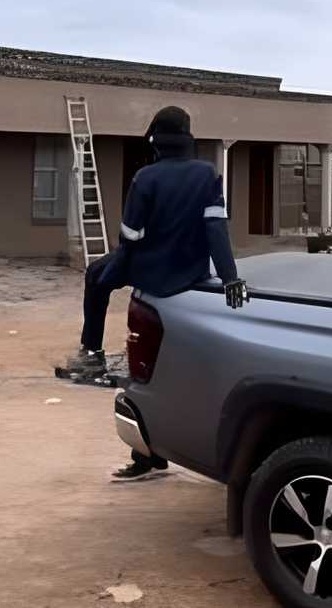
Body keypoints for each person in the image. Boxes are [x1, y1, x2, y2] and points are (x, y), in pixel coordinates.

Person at [63, 106, 249, 478]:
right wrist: (230, 276)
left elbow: (131, 237)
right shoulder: (208, 174)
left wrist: (118, 267)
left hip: (152, 271)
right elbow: (216, 229)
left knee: (95, 277)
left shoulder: (145, 178)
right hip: (192, 271)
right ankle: (150, 452)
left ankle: (91, 350)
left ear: (157, 140)